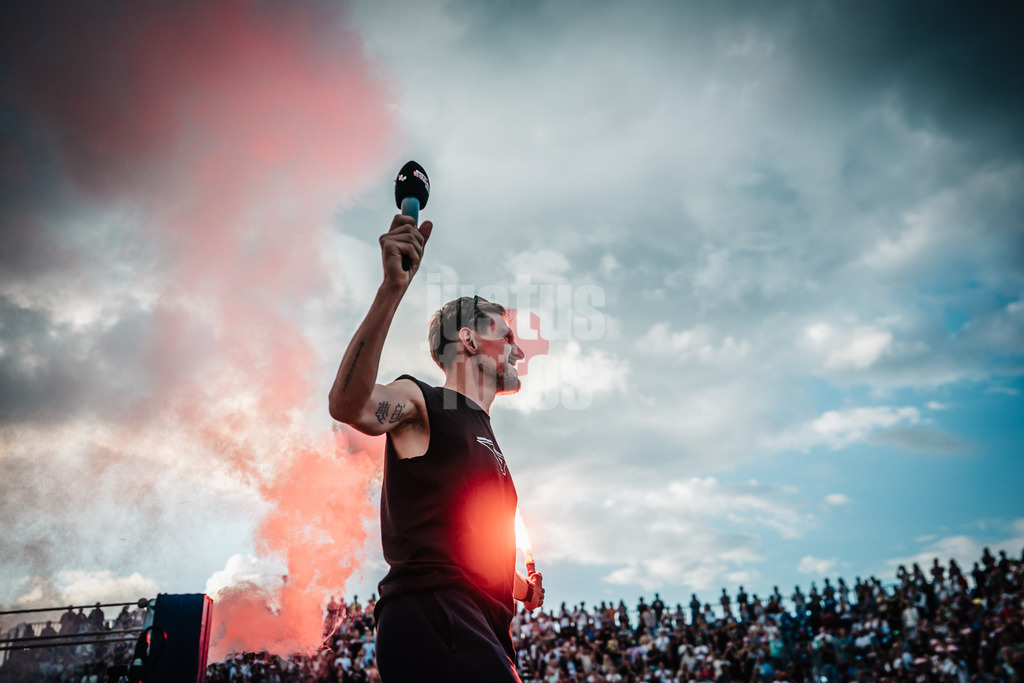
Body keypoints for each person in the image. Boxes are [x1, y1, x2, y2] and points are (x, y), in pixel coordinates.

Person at [329, 212, 544, 682]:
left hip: (483, 628)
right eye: (505, 334)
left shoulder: (484, 436)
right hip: (434, 616)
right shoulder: (421, 402)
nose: (518, 349)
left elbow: (465, 546)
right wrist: (391, 291)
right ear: (467, 338)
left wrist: (521, 590)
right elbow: (349, 404)